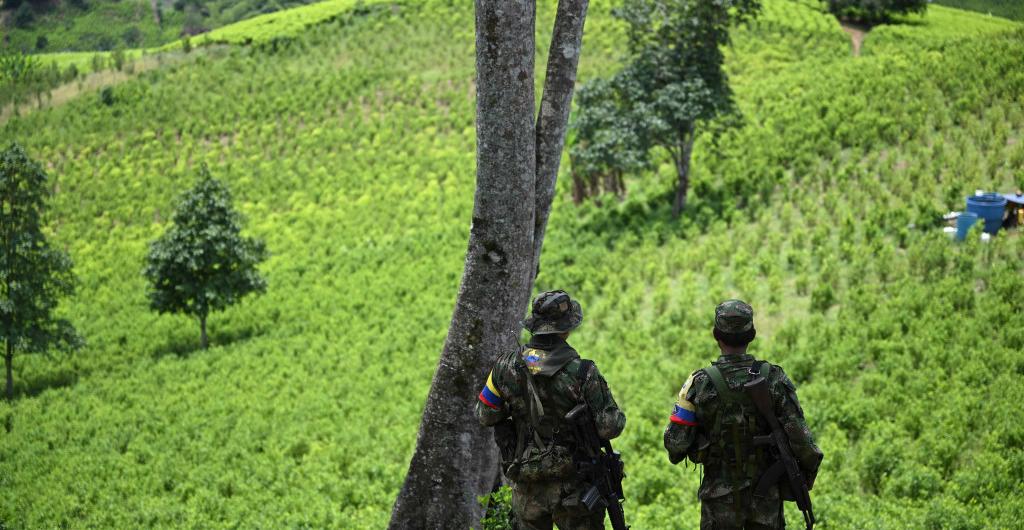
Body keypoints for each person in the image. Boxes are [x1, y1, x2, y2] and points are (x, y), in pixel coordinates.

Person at [664, 300, 823, 529]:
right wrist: (803, 475)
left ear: (716, 335)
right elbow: (802, 441)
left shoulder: (699, 384)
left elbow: (675, 444)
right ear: (752, 335)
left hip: (719, 509)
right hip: (765, 506)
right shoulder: (774, 378)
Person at [477, 290, 626, 530]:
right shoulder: (583, 372)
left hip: (527, 484)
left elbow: (485, 413)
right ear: (566, 329)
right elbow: (610, 427)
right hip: (574, 486)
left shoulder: (504, 368)